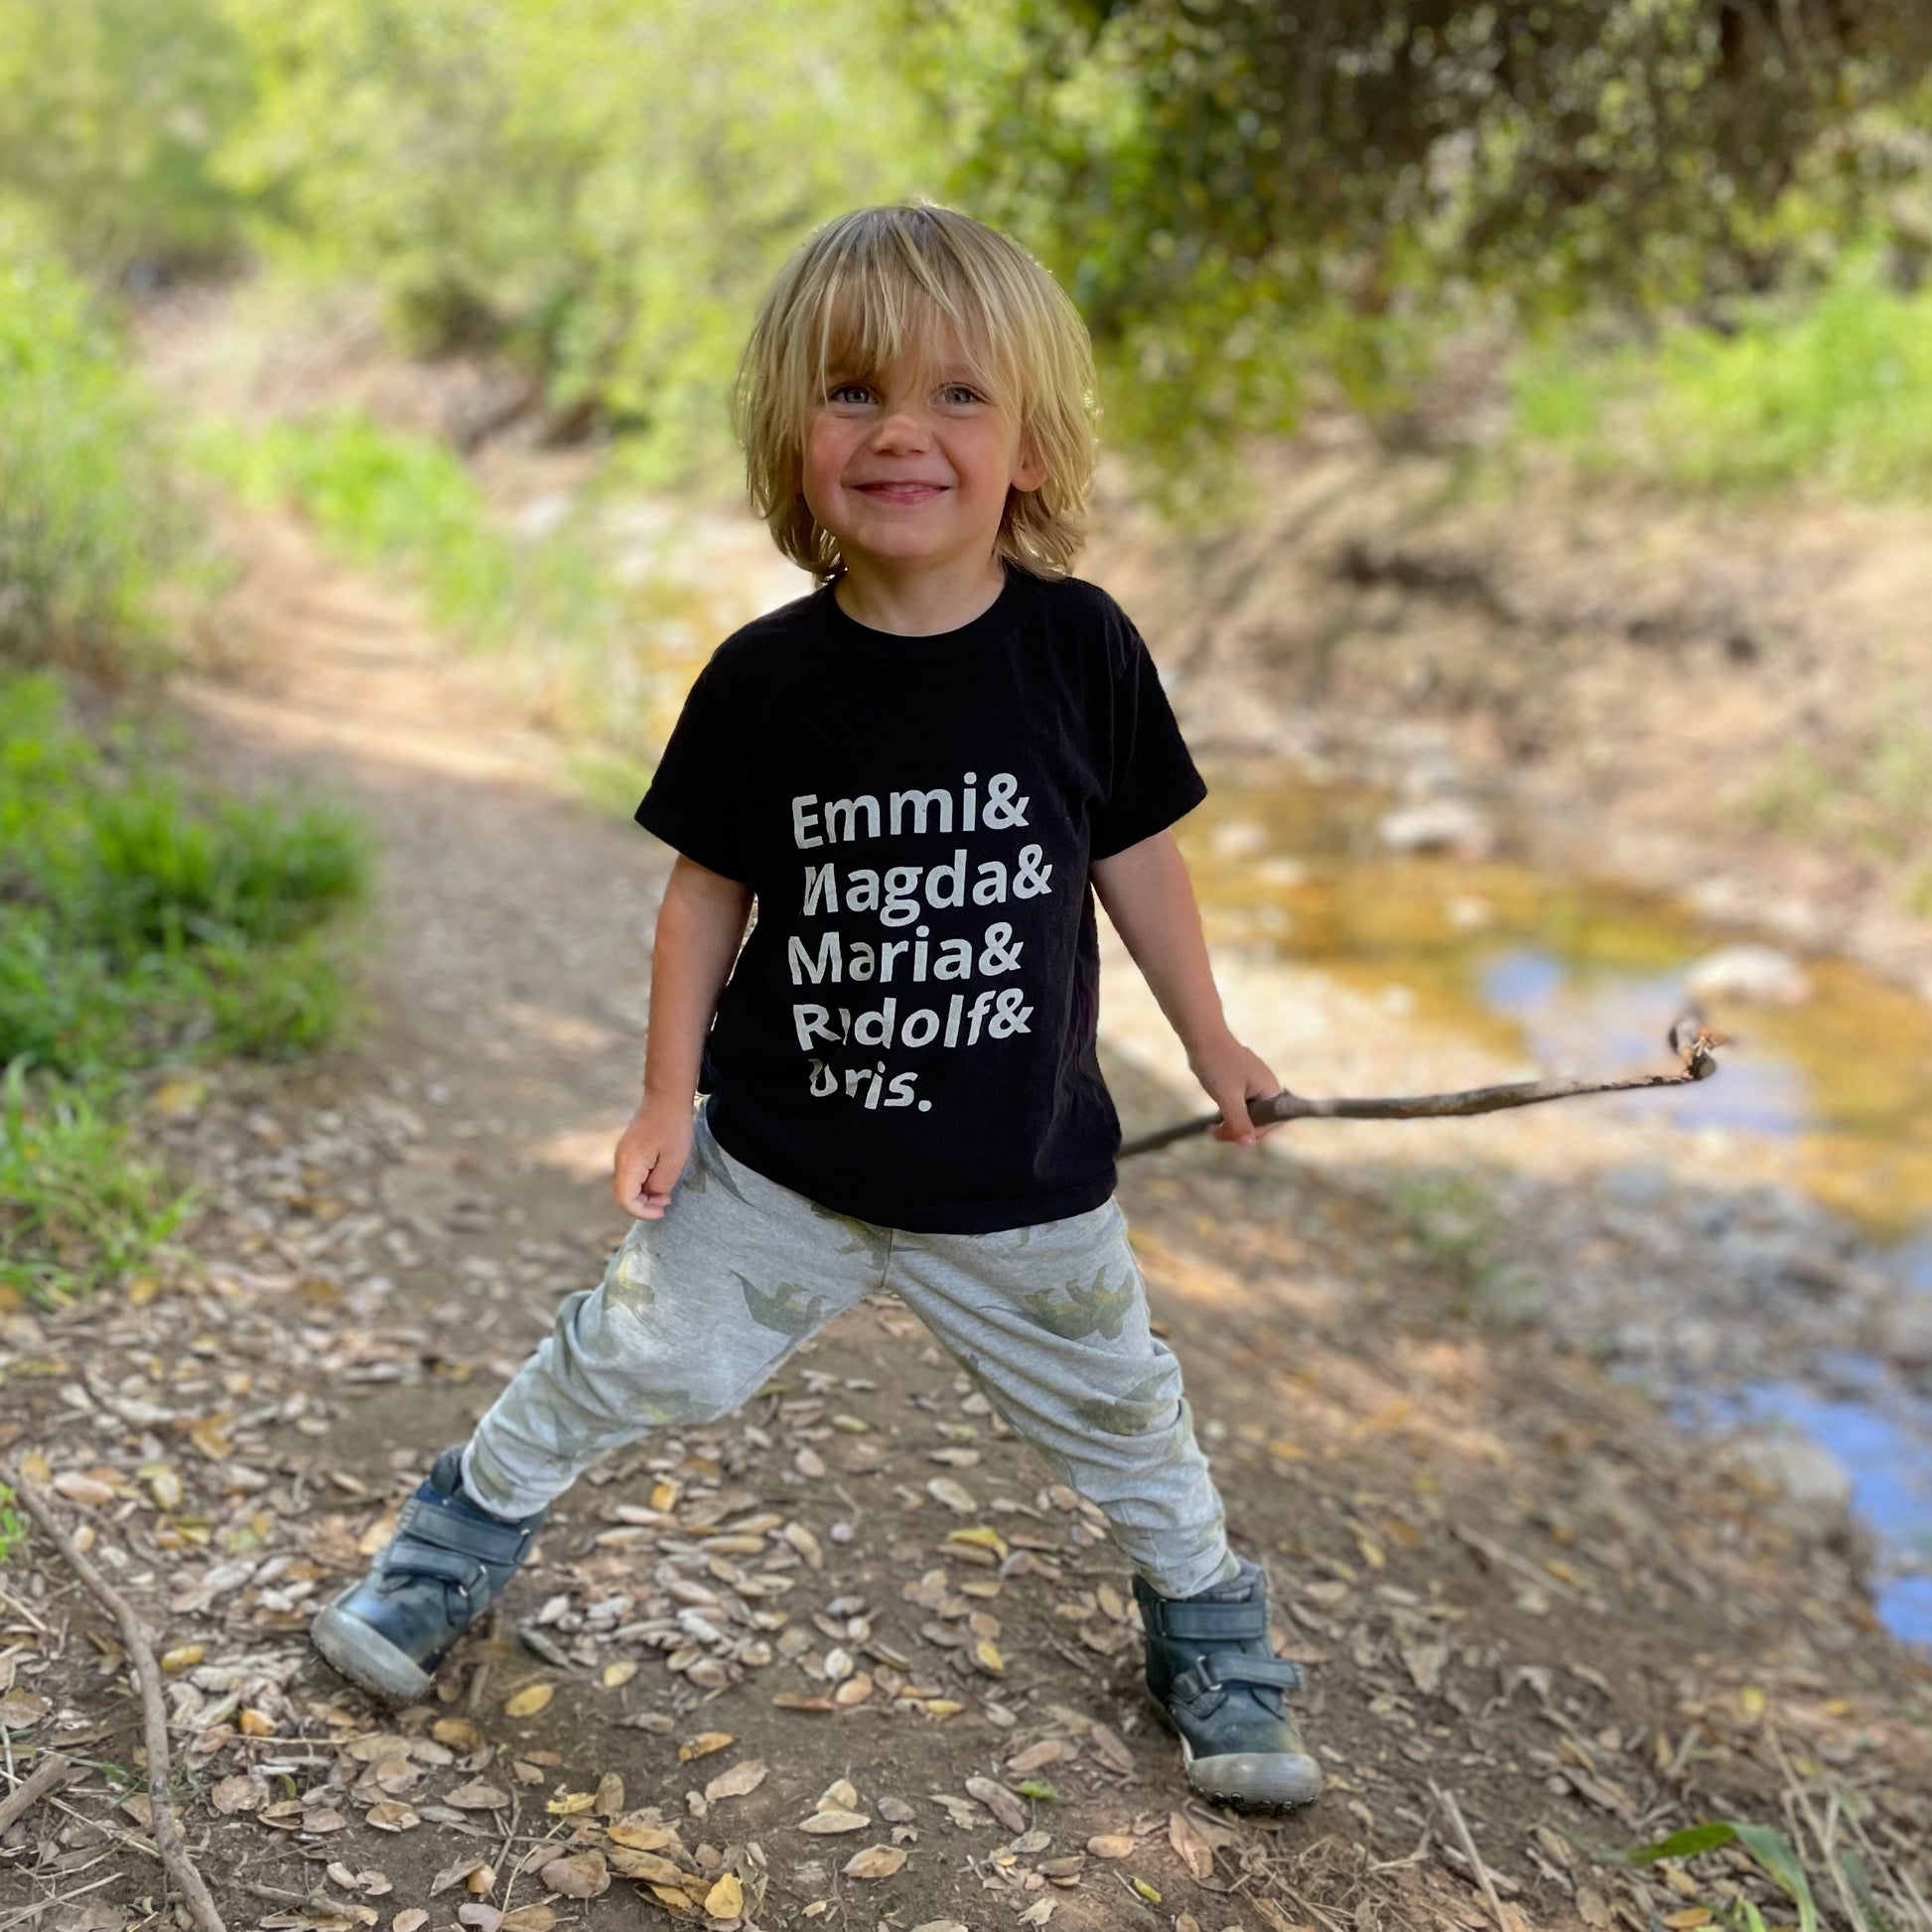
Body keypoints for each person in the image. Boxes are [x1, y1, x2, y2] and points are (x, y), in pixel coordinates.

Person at [311, 204, 1322, 1810]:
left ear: (1036, 447)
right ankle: (452, 1539)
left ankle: (1207, 1627)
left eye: (956, 397)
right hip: (781, 1156)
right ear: (791, 438)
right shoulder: (765, 679)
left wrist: (1215, 1044)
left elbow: (1135, 854)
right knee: (638, 1354)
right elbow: (703, 895)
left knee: (1123, 1413)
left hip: (1022, 1179)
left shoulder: (1077, 649)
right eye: (851, 393)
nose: (899, 432)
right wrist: (660, 1100)